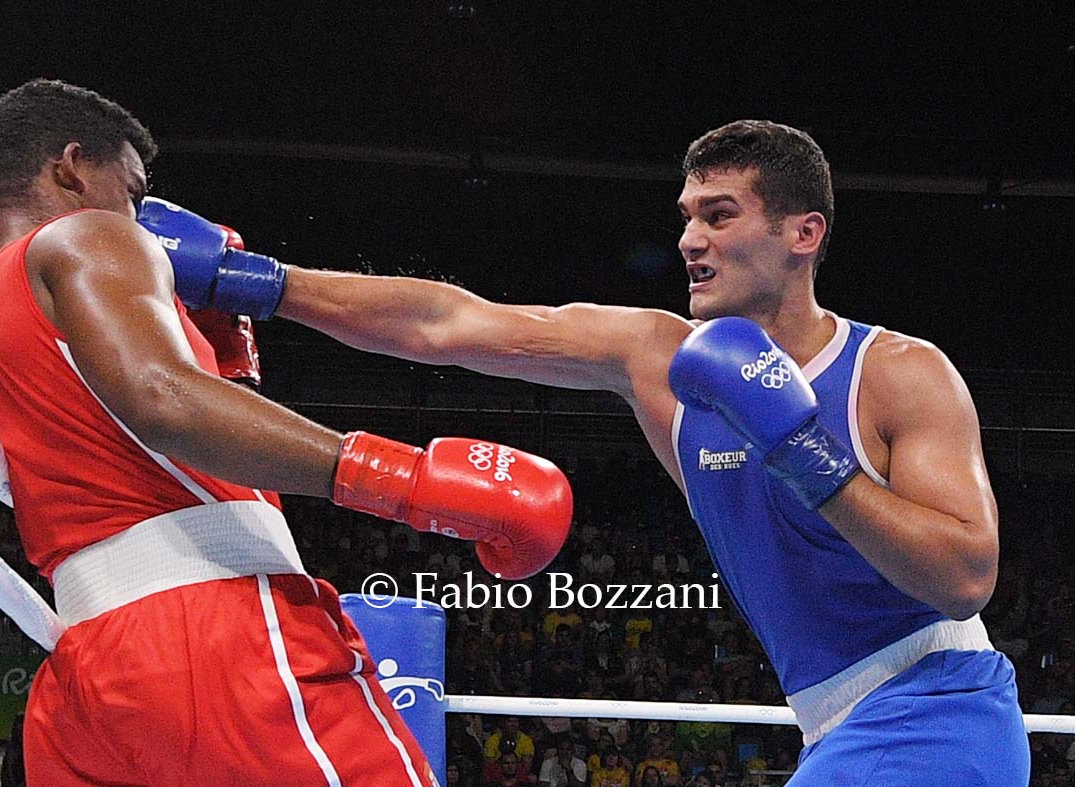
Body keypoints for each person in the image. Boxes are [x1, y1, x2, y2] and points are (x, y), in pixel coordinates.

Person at [178, 119, 1029, 783]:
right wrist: (258, 281)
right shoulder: (654, 358)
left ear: (802, 232)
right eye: (687, 217)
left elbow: (962, 577)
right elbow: (452, 321)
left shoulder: (896, 373)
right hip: (834, 722)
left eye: (719, 215)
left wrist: (800, 448)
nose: (691, 240)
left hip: (935, 706)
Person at [0, 79, 573, 786]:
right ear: (71, 168)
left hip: (92, 677)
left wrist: (224, 365)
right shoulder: (86, 234)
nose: (138, 214)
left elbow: (134, 449)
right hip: (220, 637)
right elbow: (164, 399)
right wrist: (399, 479)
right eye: (130, 191)